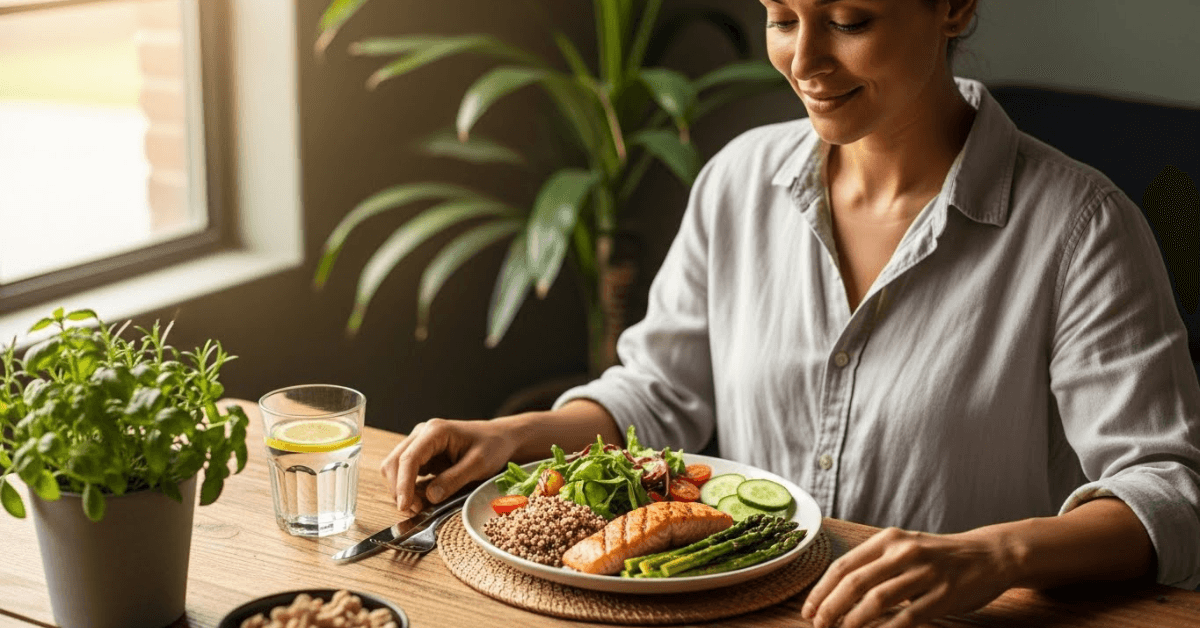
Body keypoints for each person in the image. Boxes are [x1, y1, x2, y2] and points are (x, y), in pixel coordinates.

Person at [381, 0, 1200, 626]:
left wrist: (989, 557)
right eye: (780, 18)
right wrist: (509, 438)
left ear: (952, 7)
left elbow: (1169, 491)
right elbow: (657, 396)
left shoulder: (1081, 227)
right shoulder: (737, 181)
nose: (804, 60)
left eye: (848, 20)